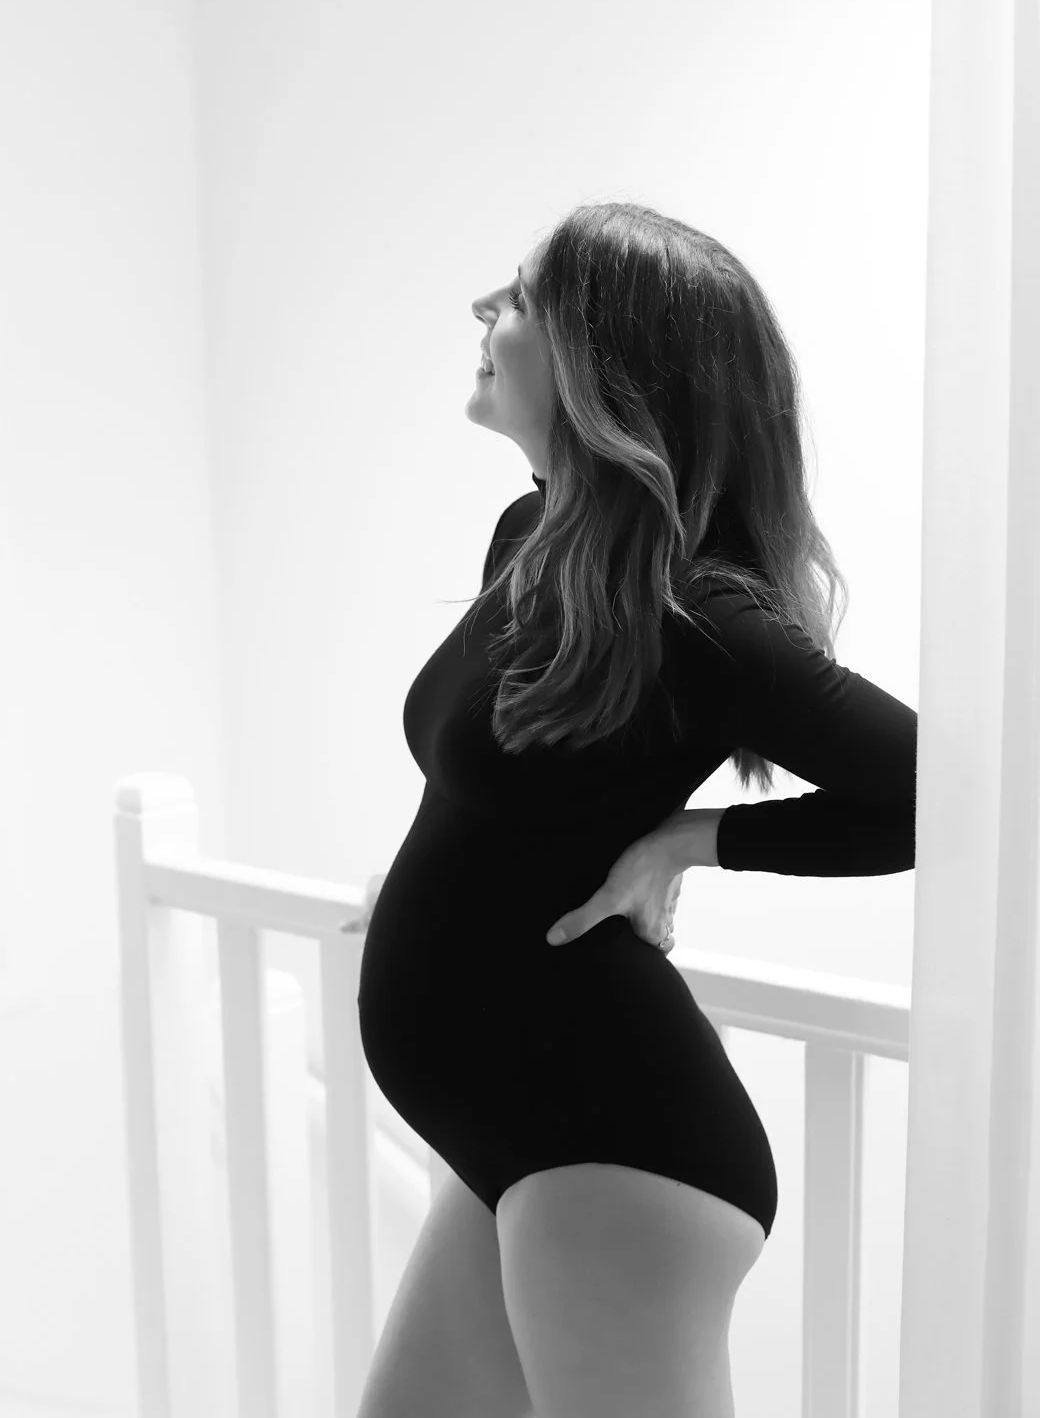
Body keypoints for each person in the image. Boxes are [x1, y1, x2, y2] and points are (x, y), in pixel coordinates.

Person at [352, 200, 917, 1418]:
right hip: (510, 1130)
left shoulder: (702, 615)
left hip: (614, 1138)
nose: (481, 310)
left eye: (518, 295)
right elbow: (517, 787)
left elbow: (946, 799)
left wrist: (695, 839)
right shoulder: (529, 540)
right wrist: (427, 888)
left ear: (601, 367)